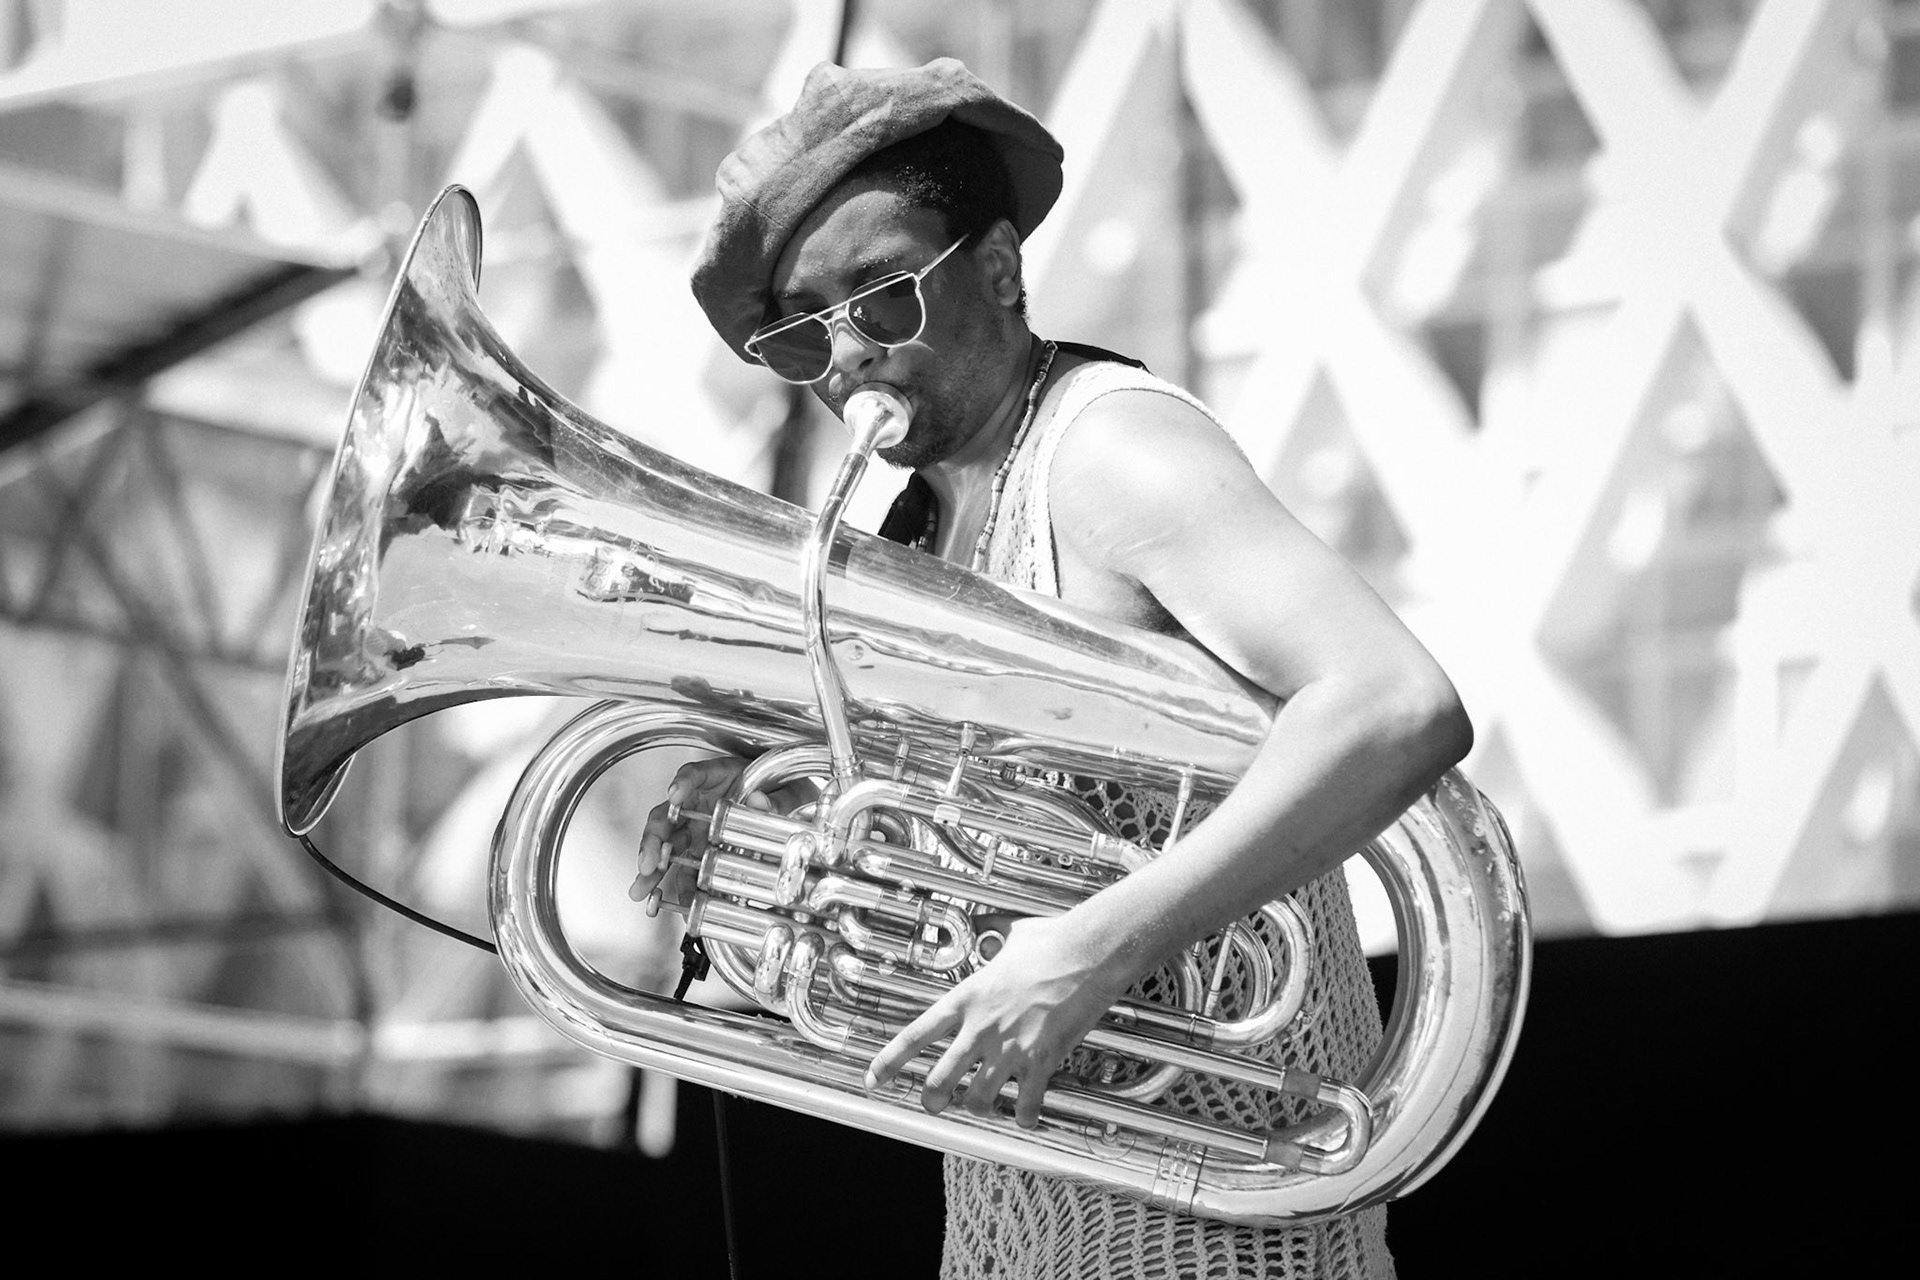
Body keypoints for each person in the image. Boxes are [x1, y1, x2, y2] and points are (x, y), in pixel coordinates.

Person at [634, 57, 1471, 1280]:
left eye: (882, 297)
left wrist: (1097, 946)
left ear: (998, 268)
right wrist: (776, 875)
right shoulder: (909, 538)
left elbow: (1395, 702)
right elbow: (962, 908)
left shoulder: (1109, 453)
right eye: (806, 328)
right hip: (1021, 1228)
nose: (848, 354)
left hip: (1228, 1239)